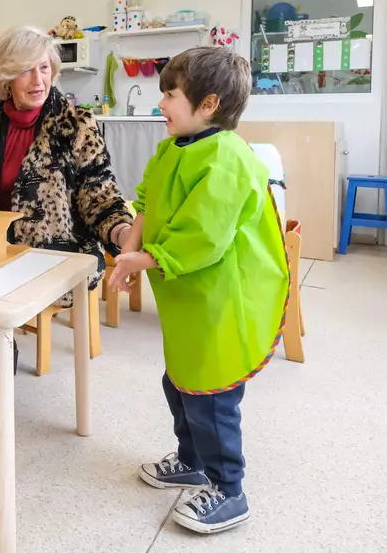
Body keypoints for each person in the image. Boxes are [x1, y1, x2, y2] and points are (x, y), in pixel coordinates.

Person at [107, 46, 288, 534]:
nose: (160, 103)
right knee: (180, 382)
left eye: (170, 95)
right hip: (190, 300)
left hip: (222, 300)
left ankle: (230, 490)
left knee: (212, 397)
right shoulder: (171, 148)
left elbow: (203, 236)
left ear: (207, 104)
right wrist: (131, 246)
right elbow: (146, 199)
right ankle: (192, 461)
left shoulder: (227, 158)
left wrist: (148, 260)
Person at [0, 26, 134, 387]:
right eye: (25, 70)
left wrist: (122, 232)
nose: (38, 80)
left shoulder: (76, 124)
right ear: (6, 76)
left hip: (55, 249)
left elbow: (99, 192)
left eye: (44, 68)